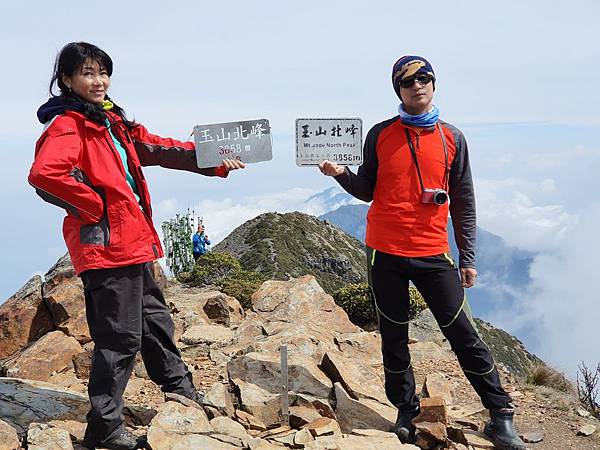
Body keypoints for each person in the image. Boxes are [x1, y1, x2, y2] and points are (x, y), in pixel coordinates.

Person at [28, 42, 245, 450]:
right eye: (89, 73)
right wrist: (97, 206)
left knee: (154, 322)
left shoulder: (111, 121)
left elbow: (159, 148)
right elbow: (45, 174)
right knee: (119, 336)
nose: (99, 81)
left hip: (132, 244)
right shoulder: (69, 125)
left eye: (104, 72)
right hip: (107, 247)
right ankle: (104, 428)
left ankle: (181, 392)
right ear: (68, 80)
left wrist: (215, 159)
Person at [319, 55, 526, 450]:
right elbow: (368, 190)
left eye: (425, 78)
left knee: (464, 334)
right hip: (386, 252)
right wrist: (341, 174)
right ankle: (405, 410)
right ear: (398, 89)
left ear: (434, 84)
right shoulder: (380, 134)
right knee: (393, 336)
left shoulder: (453, 138)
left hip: (434, 252)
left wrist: (468, 257)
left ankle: (501, 415)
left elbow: (464, 201)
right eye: (408, 81)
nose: (418, 85)